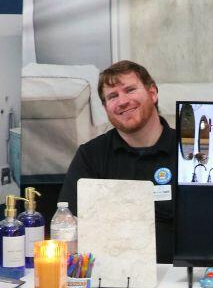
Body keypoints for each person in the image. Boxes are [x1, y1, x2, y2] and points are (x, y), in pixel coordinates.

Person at [59, 60, 177, 263]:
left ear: (153, 93)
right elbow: (69, 226)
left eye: (130, 90)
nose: (122, 101)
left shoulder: (188, 151)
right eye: (112, 96)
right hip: (111, 275)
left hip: (179, 276)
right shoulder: (90, 156)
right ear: (105, 108)